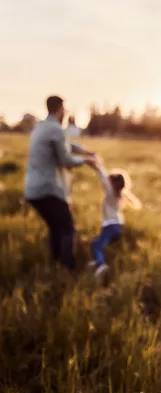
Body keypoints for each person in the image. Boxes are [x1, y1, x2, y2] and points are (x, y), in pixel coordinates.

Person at [24, 95, 96, 274]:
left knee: (56, 225)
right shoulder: (55, 129)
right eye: (64, 109)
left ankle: (55, 263)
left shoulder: (42, 127)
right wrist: (87, 161)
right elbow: (65, 159)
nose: (65, 112)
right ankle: (67, 270)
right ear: (59, 109)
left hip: (32, 190)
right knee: (66, 227)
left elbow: (65, 144)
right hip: (46, 189)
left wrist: (85, 150)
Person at [87, 157, 142, 283]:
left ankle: (101, 265)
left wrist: (97, 165)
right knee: (100, 244)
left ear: (112, 184)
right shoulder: (119, 194)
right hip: (118, 226)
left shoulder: (110, 192)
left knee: (96, 245)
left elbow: (103, 178)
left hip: (110, 226)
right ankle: (97, 262)